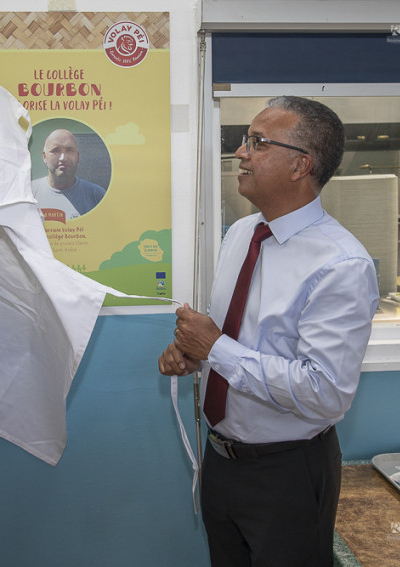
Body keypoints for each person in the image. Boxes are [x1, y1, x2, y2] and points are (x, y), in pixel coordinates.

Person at [158, 96, 379, 567]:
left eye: (257, 142)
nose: (240, 152)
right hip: (221, 459)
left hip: (288, 474)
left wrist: (215, 347)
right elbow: (238, 339)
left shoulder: (340, 264)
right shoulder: (241, 233)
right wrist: (195, 353)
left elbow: (324, 392)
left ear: (301, 165)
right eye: (244, 140)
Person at [31, 128, 106, 220]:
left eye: (69, 150)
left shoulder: (97, 195)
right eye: (56, 150)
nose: (63, 158)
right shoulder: (29, 193)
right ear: (45, 157)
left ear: (77, 157)